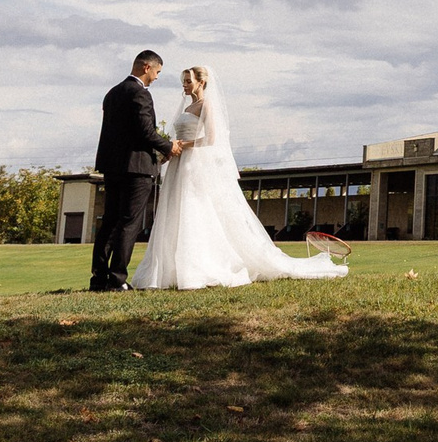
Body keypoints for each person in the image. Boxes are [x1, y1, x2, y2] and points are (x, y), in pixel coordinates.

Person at [131, 64, 346, 290]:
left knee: (194, 209)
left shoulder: (207, 105)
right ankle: (171, 268)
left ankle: (197, 266)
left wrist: (184, 145)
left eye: (188, 81)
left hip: (193, 164)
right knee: (175, 211)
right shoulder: (188, 107)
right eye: (183, 82)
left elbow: (212, 139)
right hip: (178, 164)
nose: (184, 86)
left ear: (201, 82)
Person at [90, 49, 182, 291]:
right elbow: (146, 132)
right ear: (146, 67)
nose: (157, 77)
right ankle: (118, 279)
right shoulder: (140, 94)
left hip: (112, 167)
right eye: (157, 72)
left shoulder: (112, 93)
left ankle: (98, 279)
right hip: (137, 169)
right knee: (129, 223)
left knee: (109, 221)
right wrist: (169, 147)